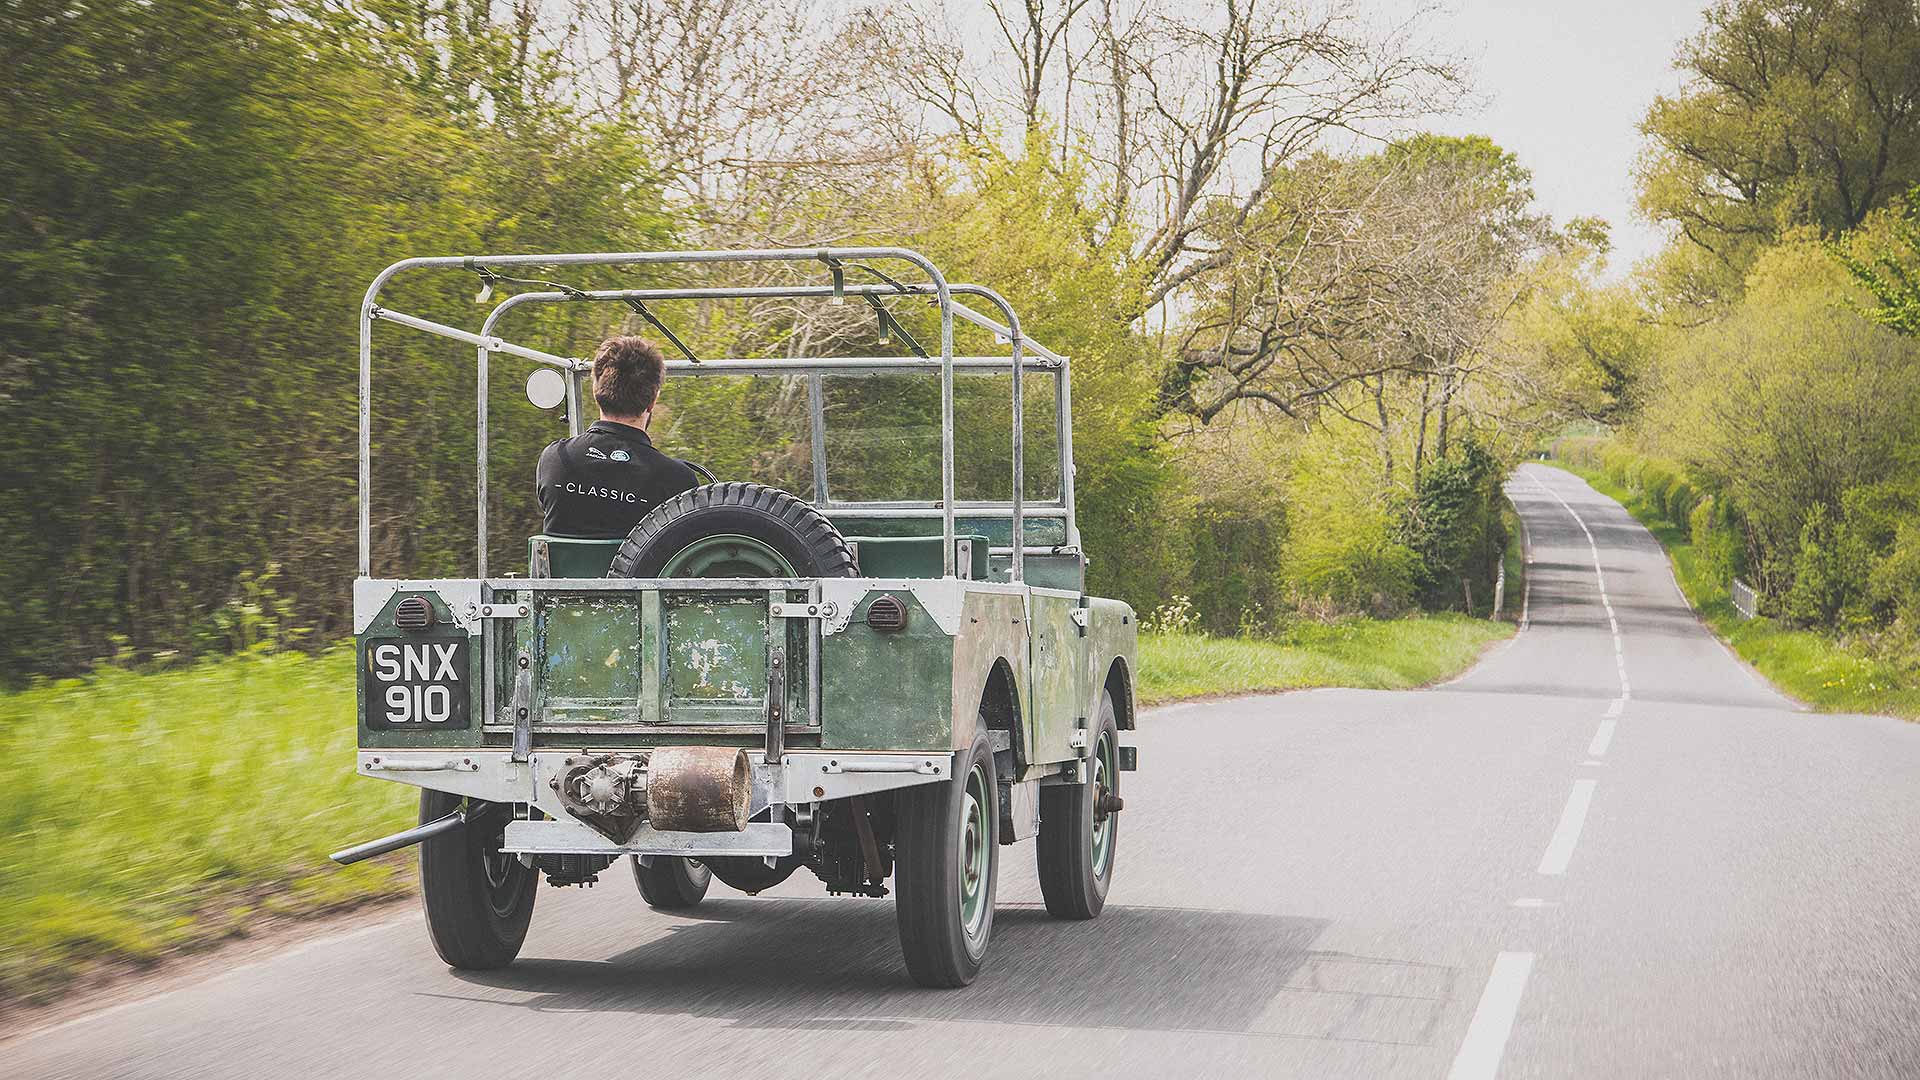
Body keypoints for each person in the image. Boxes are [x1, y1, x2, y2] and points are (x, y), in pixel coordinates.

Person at [536, 336, 702, 537]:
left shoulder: (555, 459)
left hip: (563, 570)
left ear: (595, 390)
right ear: (653, 400)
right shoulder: (677, 480)